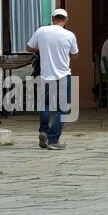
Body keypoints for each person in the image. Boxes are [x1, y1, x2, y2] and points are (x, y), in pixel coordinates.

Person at [27, 9, 78, 150]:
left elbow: (28, 48)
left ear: (52, 18)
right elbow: (75, 54)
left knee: (46, 105)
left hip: (45, 75)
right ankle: (53, 139)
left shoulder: (41, 31)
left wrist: (41, 49)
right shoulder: (69, 35)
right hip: (63, 75)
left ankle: (43, 131)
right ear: (66, 20)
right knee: (63, 108)